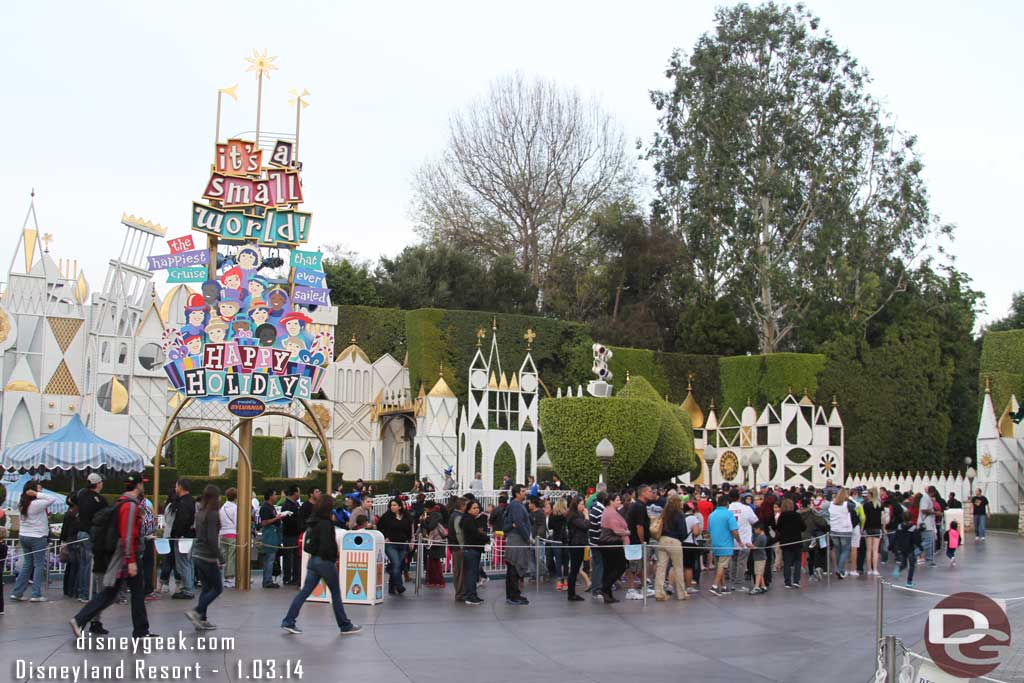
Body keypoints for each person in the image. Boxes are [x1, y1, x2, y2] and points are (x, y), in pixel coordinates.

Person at [70, 475, 155, 639]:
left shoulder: (120, 502)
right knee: (130, 592)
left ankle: (80, 619)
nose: (143, 487)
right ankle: (140, 630)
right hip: (127, 554)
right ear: (137, 485)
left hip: (122, 553)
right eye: (142, 484)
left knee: (113, 591)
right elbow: (127, 533)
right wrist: (131, 560)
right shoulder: (130, 506)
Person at [281, 494, 362, 636]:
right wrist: (334, 556)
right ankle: (344, 625)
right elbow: (327, 544)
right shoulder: (326, 523)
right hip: (325, 561)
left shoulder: (313, 521)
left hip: (313, 561)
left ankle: (289, 620)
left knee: (304, 592)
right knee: (335, 593)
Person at [187, 485, 223, 630]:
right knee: (217, 588)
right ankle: (197, 611)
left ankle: (202, 619)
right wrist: (220, 557)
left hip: (197, 553)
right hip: (208, 556)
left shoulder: (200, 512)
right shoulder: (213, 513)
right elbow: (212, 539)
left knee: (206, 588)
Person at [12, 481, 55, 602]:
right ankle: (36, 594)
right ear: (32, 491)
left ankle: (17, 592)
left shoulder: (21, 503)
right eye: (37, 489)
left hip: (24, 535)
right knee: (39, 565)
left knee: (27, 564)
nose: (40, 491)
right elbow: (51, 499)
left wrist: (34, 493)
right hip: (37, 536)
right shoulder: (36, 504)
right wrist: (37, 494)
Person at [74, 473, 107, 604]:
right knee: (89, 564)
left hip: (80, 533)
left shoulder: (82, 494)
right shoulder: (99, 500)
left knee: (83, 564)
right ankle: (88, 592)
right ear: (98, 484)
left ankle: (81, 591)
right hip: (90, 534)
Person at [654, 494, 688, 601]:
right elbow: (683, 532)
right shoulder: (679, 514)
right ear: (678, 503)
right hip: (674, 542)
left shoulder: (664, 514)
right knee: (678, 567)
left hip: (662, 540)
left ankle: (659, 593)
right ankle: (681, 593)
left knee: (661, 568)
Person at [598, 493, 630, 604]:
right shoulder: (611, 513)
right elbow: (617, 530)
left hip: (608, 543)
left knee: (609, 569)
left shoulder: (610, 512)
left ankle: (608, 594)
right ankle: (604, 588)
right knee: (621, 566)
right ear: (611, 501)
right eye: (617, 500)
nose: (619, 501)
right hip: (611, 543)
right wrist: (627, 532)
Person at [624, 485, 655, 599]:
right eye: (650, 491)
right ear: (643, 493)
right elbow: (639, 526)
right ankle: (631, 590)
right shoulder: (639, 506)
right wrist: (642, 542)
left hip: (636, 541)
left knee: (640, 566)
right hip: (635, 541)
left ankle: (644, 588)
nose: (652, 493)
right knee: (634, 566)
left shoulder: (639, 505)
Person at [377, 498, 413, 595]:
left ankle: (391, 587)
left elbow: (409, 530)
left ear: (400, 506)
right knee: (396, 563)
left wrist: (410, 541)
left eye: (395, 505)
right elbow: (379, 526)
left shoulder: (406, 516)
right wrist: (385, 536)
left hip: (403, 544)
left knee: (396, 566)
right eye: (391, 505)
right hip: (391, 544)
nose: (392, 507)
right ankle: (399, 585)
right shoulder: (386, 516)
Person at [503, 484, 531, 605]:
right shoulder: (516, 505)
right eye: (523, 491)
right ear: (517, 493)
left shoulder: (516, 505)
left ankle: (514, 594)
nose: (526, 493)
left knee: (513, 568)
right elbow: (519, 523)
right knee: (514, 567)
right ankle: (513, 596)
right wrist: (527, 538)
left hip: (517, 539)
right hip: (517, 540)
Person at [707, 494, 741, 596]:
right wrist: (739, 541)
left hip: (715, 543)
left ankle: (724, 586)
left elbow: (709, 530)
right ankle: (715, 586)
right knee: (722, 566)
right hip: (726, 544)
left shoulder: (712, 515)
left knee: (719, 566)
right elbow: (734, 530)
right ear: (727, 503)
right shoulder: (729, 515)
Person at [169, 479, 196, 599]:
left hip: (183, 537)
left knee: (183, 562)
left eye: (176, 486)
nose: (175, 489)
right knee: (188, 562)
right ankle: (189, 587)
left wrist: (178, 533)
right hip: (189, 535)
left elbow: (183, 520)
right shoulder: (191, 500)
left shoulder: (183, 502)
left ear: (180, 487)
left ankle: (188, 589)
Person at [727, 489, 758, 592]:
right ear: (739, 497)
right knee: (742, 563)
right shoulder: (746, 508)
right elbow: (755, 521)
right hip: (744, 540)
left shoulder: (728, 509)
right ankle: (739, 584)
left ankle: (732, 582)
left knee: (733, 561)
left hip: (732, 540)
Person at [259, 489, 288, 589]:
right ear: (270, 496)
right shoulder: (265, 508)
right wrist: (277, 518)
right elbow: (264, 522)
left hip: (274, 534)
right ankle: (267, 580)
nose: (276, 496)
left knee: (271, 557)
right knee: (269, 558)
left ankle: (268, 579)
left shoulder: (270, 507)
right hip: (270, 535)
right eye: (275, 494)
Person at [460, 500, 487, 605]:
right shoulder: (468, 520)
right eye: (474, 508)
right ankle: (470, 596)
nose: (477, 510)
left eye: (477, 507)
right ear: (468, 509)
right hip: (471, 549)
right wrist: (485, 538)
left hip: (475, 549)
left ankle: (473, 594)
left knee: (473, 573)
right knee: (471, 574)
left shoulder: (473, 519)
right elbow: (475, 534)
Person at [564, 497, 590, 602]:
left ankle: (572, 593)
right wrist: (587, 516)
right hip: (576, 544)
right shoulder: (574, 516)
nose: (583, 506)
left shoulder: (577, 515)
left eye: (583, 504)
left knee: (575, 569)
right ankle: (571, 594)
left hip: (579, 543)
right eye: (581, 504)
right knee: (574, 570)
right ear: (576, 505)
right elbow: (585, 526)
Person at [776, 498, 805, 588]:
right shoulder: (797, 515)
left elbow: (778, 528)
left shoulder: (782, 516)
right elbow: (803, 527)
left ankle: (787, 582)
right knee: (797, 561)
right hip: (797, 540)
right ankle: (796, 580)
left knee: (787, 562)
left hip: (786, 541)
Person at [828, 488, 854, 579]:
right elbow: (856, 506)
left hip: (834, 530)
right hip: (845, 530)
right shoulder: (847, 505)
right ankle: (839, 569)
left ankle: (841, 570)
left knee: (838, 550)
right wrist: (849, 498)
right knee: (845, 550)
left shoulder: (831, 504)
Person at [280, 486, 302, 586]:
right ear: (294, 493)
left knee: (296, 556)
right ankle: (287, 577)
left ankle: (295, 577)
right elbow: (287, 520)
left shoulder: (295, 504)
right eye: (298, 492)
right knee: (288, 556)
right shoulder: (287, 505)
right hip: (289, 534)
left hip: (295, 534)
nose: (299, 494)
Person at [587, 490, 608, 598]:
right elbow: (601, 527)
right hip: (598, 542)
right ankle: (597, 589)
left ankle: (595, 587)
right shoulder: (599, 510)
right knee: (599, 566)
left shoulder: (594, 508)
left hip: (593, 541)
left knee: (596, 566)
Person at [421, 504, 447, 588]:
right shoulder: (439, 515)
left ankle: (436, 581)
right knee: (433, 561)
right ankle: (435, 581)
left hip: (434, 540)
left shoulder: (434, 516)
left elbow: (430, 527)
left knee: (434, 562)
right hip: (436, 540)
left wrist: (423, 521)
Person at [892, 510, 920, 588]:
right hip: (910, 549)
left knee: (904, 563)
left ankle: (898, 570)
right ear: (911, 518)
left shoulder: (899, 527)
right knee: (911, 565)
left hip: (901, 548)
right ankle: (909, 581)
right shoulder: (913, 528)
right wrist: (920, 547)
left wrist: (893, 546)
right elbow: (916, 539)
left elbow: (896, 537)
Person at [448, 497, 467, 602]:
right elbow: (459, 533)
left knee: (458, 571)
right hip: (458, 548)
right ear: (462, 506)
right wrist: (462, 546)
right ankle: (460, 593)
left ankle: (460, 592)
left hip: (455, 547)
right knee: (460, 572)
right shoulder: (458, 517)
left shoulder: (454, 515)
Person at [218, 488, 238, 589]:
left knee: (225, 557)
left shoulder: (222, 507)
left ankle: (226, 578)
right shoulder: (235, 508)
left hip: (223, 534)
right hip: (232, 533)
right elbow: (237, 522)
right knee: (231, 557)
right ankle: (230, 578)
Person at [862, 489, 883, 576]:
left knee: (868, 550)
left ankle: (869, 569)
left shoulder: (866, 505)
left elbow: (864, 518)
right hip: (877, 528)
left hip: (868, 528)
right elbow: (882, 517)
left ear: (870, 495)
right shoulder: (879, 505)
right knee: (875, 550)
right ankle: (875, 569)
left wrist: (862, 528)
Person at [917, 487, 938, 567]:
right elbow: (923, 509)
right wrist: (935, 513)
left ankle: (929, 560)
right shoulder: (925, 498)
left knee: (929, 543)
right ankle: (914, 553)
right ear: (933, 492)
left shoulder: (927, 498)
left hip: (928, 524)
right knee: (927, 543)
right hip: (926, 524)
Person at [750, 522, 768, 595]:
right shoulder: (763, 536)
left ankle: (756, 587)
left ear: (759, 529)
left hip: (759, 557)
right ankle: (763, 586)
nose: (754, 531)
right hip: (761, 557)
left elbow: (755, 547)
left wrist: (749, 545)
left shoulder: (760, 537)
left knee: (758, 572)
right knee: (760, 572)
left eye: (755, 529)